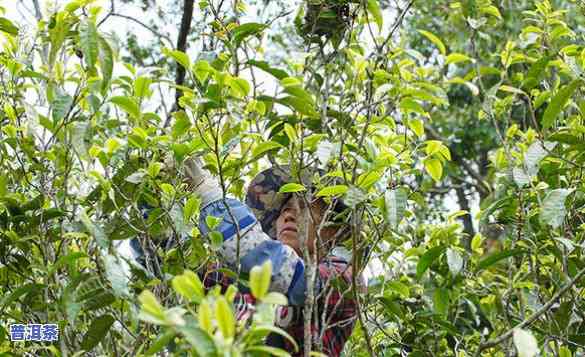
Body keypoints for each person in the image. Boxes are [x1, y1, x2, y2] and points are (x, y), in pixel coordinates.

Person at [132, 157, 363, 355]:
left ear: (332, 229)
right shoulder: (242, 282)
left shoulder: (342, 277)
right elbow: (176, 266)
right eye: (284, 210)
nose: (288, 215)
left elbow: (284, 274)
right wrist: (151, 198)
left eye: (303, 206)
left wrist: (208, 193)